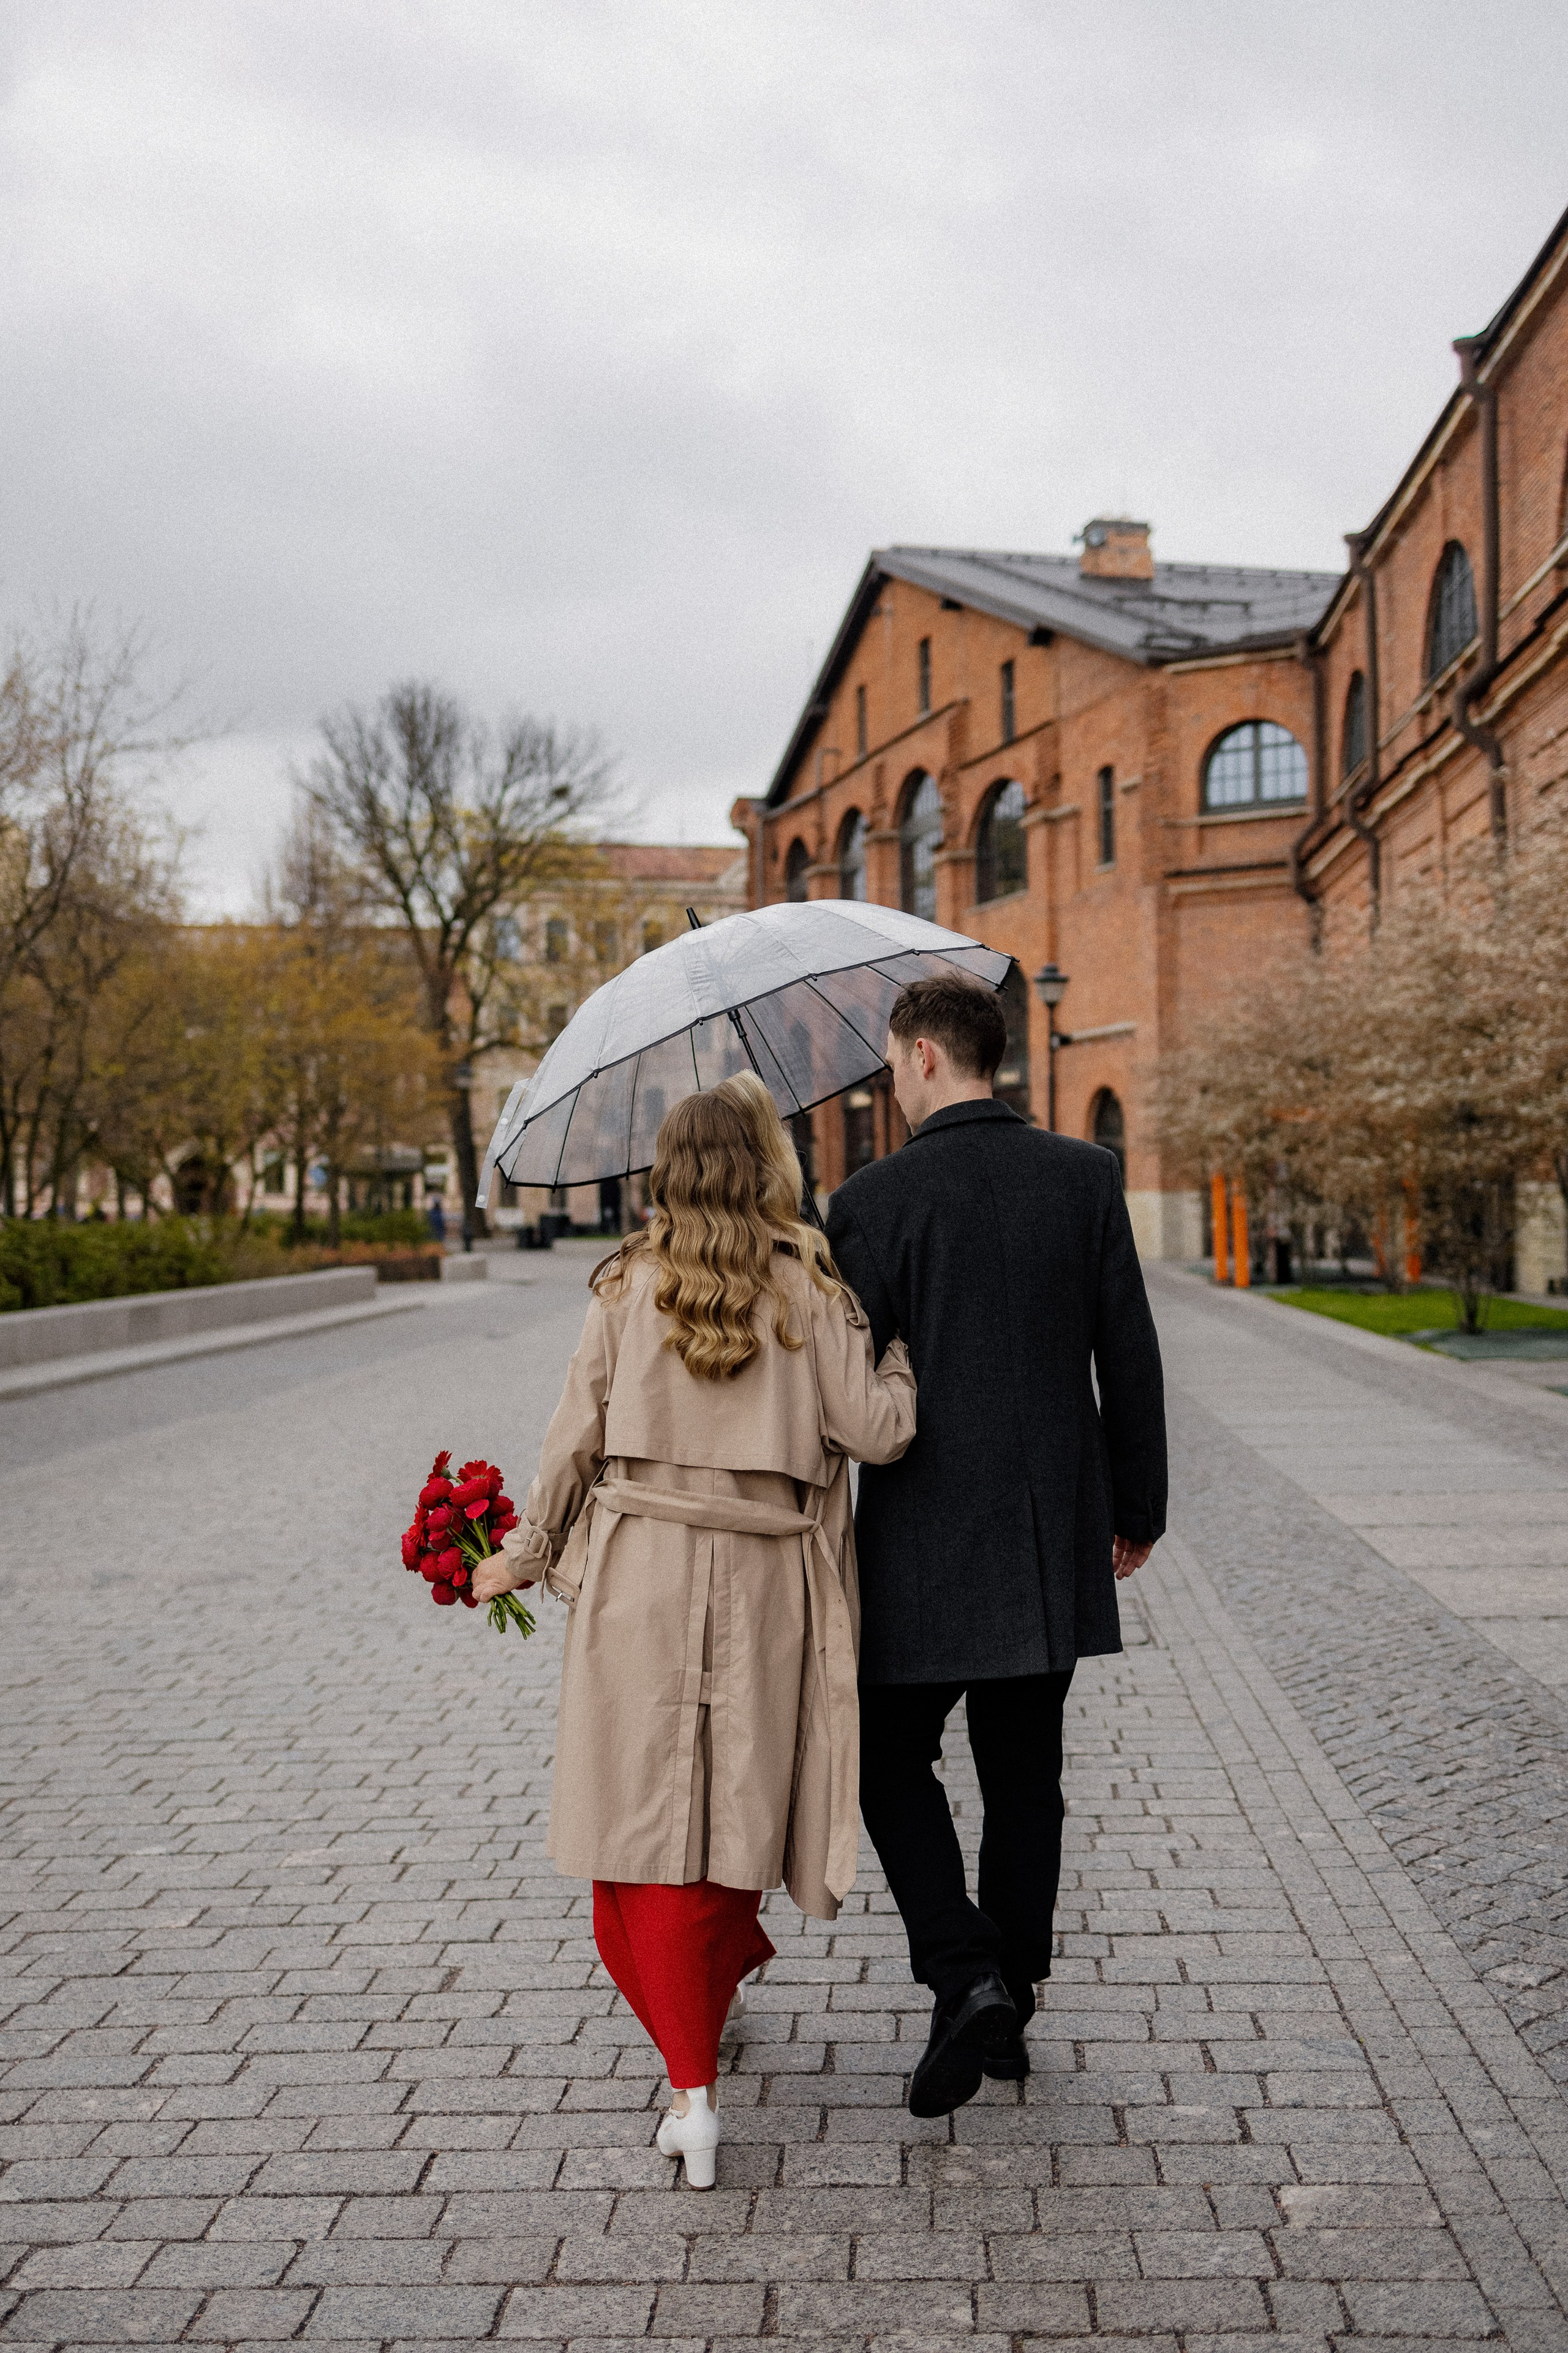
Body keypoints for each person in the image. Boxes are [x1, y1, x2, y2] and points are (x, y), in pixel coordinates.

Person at [473, 1071, 916, 2187]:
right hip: (770, 1576)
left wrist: (518, 1558)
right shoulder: (810, 1287)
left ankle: (694, 2090)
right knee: (728, 1811)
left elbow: (569, 1444)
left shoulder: (623, 1284)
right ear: (768, 1164)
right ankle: (714, 2012)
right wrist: (899, 1359)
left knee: (637, 1823)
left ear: (667, 1170)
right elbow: (876, 1431)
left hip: (641, 1573)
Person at [826, 972, 1166, 2118]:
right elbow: (1130, 1352)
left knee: (884, 1757)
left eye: (889, 1058)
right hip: (1045, 1528)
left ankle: (963, 1970)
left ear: (924, 1056)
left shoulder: (870, 1200)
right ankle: (1009, 1988)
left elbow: (848, 1378)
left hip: (920, 1533)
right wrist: (1140, 1507)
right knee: (1028, 1777)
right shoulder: (1084, 1176)